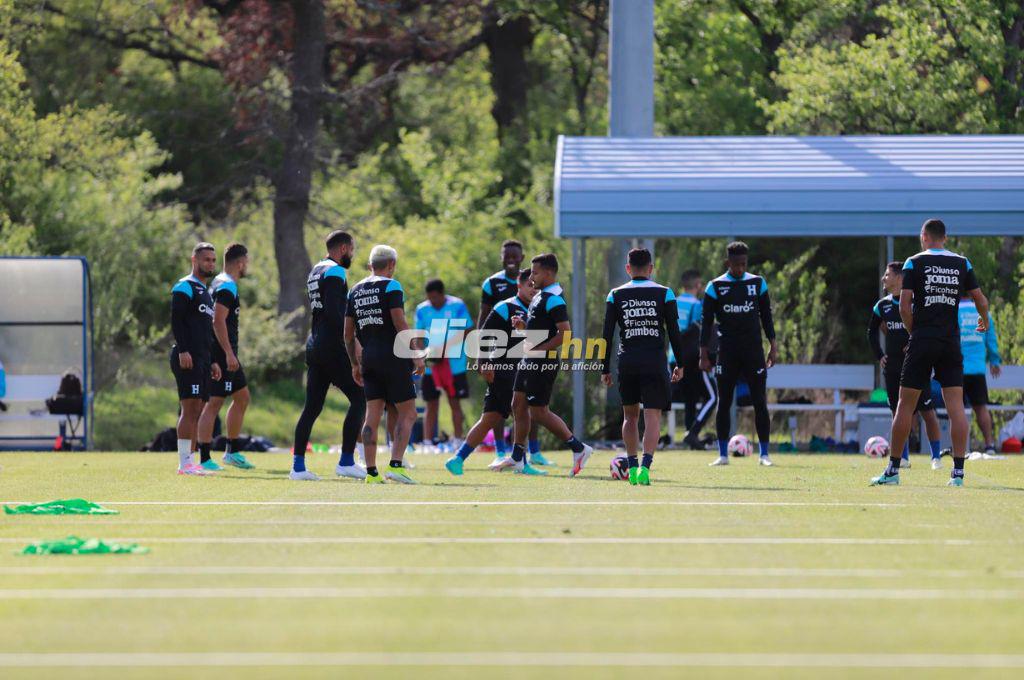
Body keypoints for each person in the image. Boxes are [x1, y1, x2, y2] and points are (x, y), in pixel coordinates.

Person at [871, 218, 989, 487]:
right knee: (956, 407)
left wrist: (914, 333)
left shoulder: (914, 262)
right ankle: (958, 474)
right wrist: (984, 321)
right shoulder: (962, 262)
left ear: (924, 237)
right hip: (950, 342)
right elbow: (981, 300)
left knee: (904, 405)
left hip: (923, 339)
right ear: (944, 238)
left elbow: (904, 307)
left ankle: (893, 470)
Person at [490, 253, 594, 476]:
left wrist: (540, 349)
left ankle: (579, 448)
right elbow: (541, 328)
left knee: (539, 412)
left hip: (542, 361)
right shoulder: (540, 296)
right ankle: (517, 458)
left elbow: (565, 334)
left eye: (535, 273)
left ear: (548, 273)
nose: (531, 277)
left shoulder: (554, 298)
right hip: (529, 358)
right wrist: (524, 326)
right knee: (517, 404)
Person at [600, 248, 686, 485]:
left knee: (629, 417)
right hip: (654, 362)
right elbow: (675, 332)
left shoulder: (615, 294)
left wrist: (604, 368)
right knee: (652, 416)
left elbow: (607, 334)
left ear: (628, 268)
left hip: (627, 362)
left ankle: (632, 466)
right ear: (651, 268)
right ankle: (645, 467)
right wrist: (680, 363)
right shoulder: (665, 293)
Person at [290, 231, 366, 481]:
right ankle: (346, 461)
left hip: (314, 344)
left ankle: (298, 467)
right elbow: (336, 314)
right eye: (352, 250)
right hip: (332, 346)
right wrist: (353, 344)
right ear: (343, 248)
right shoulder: (335, 271)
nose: (352, 255)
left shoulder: (316, 270)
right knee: (360, 397)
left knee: (311, 407)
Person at [345, 245, 424, 484]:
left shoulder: (354, 291)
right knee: (408, 413)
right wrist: (416, 354)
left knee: (372, 415)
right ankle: (396, 466)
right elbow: (400, 323)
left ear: (371, 265)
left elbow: (348, 334)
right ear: (391, 265)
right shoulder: (391, 286)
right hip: (394, 358)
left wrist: (355, 364)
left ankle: (371, 473)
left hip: (368, 359)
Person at [445, 269, 535, 475]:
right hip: (504, 370)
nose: (533, 289)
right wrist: (483, 361)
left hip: (515, 369)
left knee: (490, 418)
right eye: (529, 285)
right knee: (522, 411)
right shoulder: (505, 307)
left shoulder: (534, 308)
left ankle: (457, 459)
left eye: (535, 286)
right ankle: (522, 462)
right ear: (519, 286)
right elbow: (484, 334)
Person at [700, 241, 777, 467]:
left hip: (753, 351)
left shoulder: (757, 283)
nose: (740, 268)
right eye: (736, 265)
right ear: (728, 263)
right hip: (727, 352)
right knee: (723, 401)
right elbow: (706, 323)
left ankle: (764, 455)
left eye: (744, 264)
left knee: (759, 401)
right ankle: (723, 455)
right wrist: (703, 353)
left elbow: (766, 316)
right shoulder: (715, 286)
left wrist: (773, 345)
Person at [478, 240, 552, 466]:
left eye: (514, 255)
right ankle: (500, 451)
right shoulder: (492, 283)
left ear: (521, 257)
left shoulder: (536, 280)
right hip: (501, 351)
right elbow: (484, 318)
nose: (510, 259)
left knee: (531, 400)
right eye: (507, 255)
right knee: (499, 403)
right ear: (501, 257)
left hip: (528, 348)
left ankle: (534, 451)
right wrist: (482, 355)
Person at [868, 261, 944, 469]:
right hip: (893, 368)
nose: (883, 278)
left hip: (917, 364)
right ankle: (903, 458)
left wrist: (914, 344)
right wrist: (880, 355)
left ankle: (936, 457)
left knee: (927, 412)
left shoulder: (916, 302)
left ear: (899, 278)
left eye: (887, 275)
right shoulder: (882, 305)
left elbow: (926, 328)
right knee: (897, 412)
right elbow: (871, 332)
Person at [196, 243, 255, 471]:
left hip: (227, 354)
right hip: (222, 354)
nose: (247, 266)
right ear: (240, 263)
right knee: (214, 403)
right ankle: (204, 458)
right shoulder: (227, 286)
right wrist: (228, 353)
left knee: (242, 397)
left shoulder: (219, 282)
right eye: (246, 262)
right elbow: (217, 320)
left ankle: (232, 451)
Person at [169, 242, 222, 475]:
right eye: (206, 259)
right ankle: (184, 463)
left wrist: (213, 360)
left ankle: (191, 461)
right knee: (189, 409)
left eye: (213, 260)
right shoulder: (185, 286)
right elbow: (177, 320)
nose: (210, 263)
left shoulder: (206, 293)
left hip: (202, 359)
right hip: (187, 357)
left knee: (198, 410)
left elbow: (207, 331)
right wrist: (183, 350)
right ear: (194, 260)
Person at [415, 279, 473, 451]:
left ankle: (457, 440)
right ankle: (427, 443)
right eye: (429, 298)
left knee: (454, 402)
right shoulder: (422, 309)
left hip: (455, 365)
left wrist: (444, 349)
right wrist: (424, 354)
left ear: (442, 294)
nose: (432, 301)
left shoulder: (457, 305)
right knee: (431, 403)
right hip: (432, 367)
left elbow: (467, 330)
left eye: (435, 297)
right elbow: (418, 336)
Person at [671, 269, 717, 450]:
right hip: (691, 358)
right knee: (711, 397)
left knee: (690, 398)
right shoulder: (697, 305)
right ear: (698, 285)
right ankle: (692, 433)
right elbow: (700, 332)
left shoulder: (672, 302)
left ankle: (690, 437)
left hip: (673, 357)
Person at [959, 293, 1001, 453]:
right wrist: (994, 361)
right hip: (977, 369)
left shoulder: (953, 312)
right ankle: (989, 445)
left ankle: (959, 446)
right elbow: (991, 339)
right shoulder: (982, 312)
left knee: (956, 409)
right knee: (981, 408)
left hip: (957, 368)